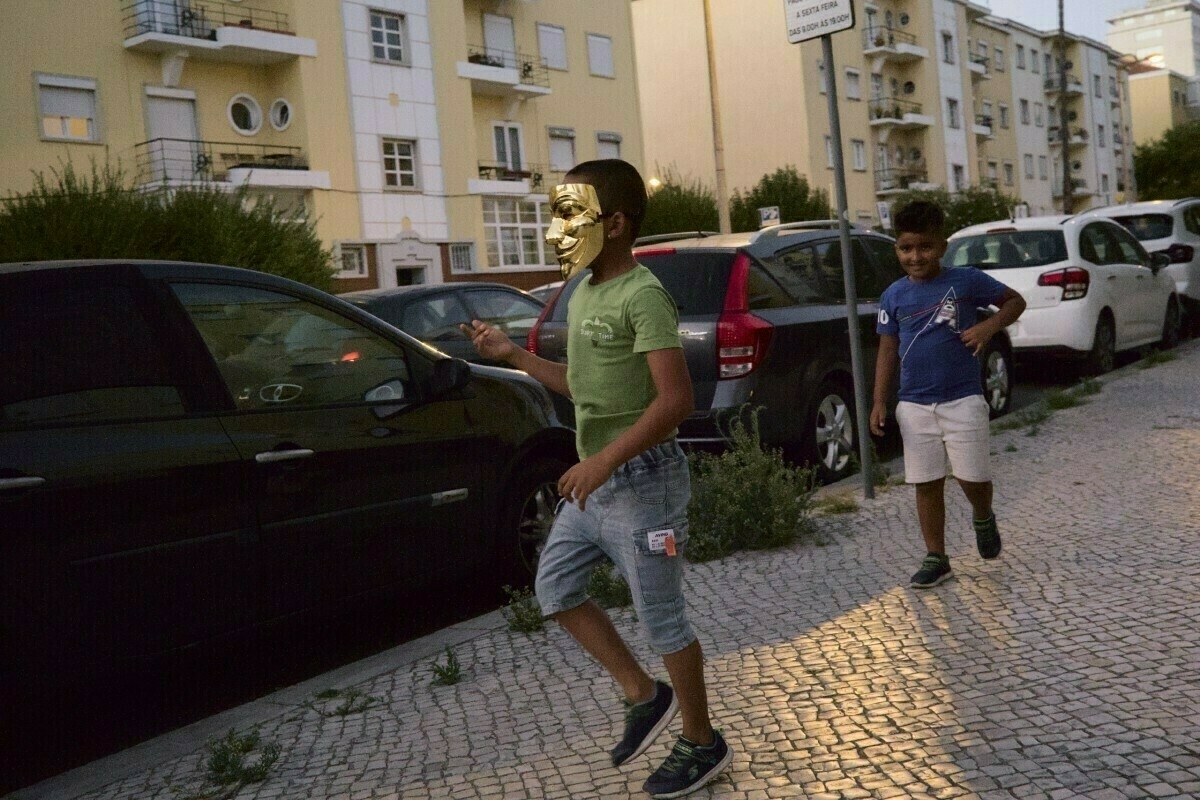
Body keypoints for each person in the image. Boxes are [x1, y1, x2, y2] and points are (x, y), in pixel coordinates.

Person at [460, 159, 732, 798]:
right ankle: (643, 693)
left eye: (567, 213)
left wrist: (603, 460)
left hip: (645, 486)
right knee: (554, 589)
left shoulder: (643, 294)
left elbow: (675, 402)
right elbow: (582, 387)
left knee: (662, 619)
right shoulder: (583, 292)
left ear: (614, 223)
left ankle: (702, 741)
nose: (556, 229)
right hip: (597, 485)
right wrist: (515, 356)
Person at [869, 201, 1027, 589]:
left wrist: (988, 327)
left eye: (924, 247)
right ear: (897, 249)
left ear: (941, 246)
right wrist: (878, 401)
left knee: (971, 476)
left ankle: (983, 514)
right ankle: (936, 556)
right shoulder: (893, 296)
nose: (915, 256)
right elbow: (887, 349)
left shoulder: (966, 281)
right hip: (914, 403)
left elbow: (1015, 301)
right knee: (926, 481)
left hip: (963, 399)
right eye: (906, 248)